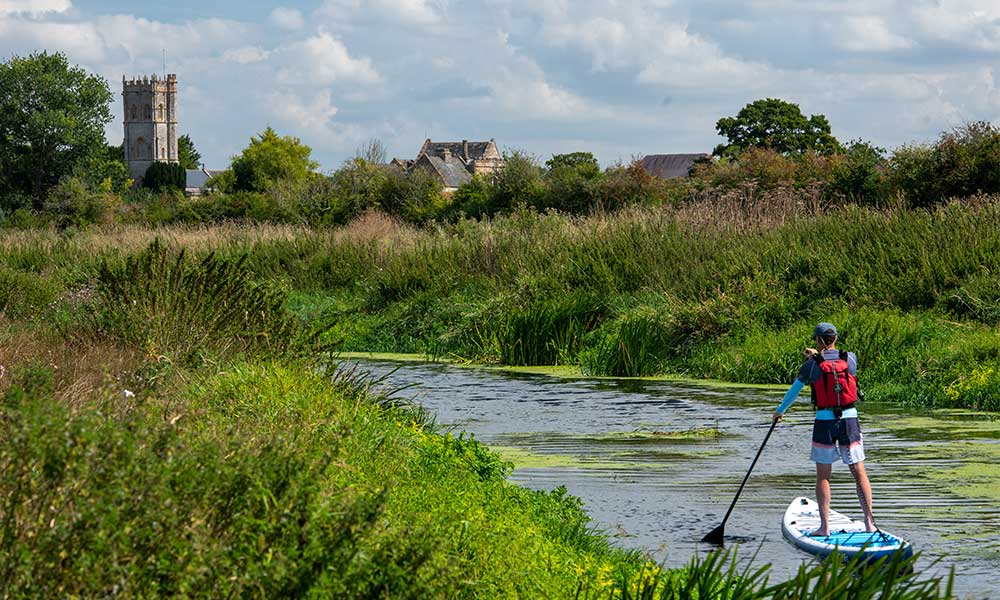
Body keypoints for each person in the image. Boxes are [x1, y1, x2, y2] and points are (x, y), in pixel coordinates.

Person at [772, 322, 875, 536]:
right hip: (850, 418)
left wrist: (780, 411)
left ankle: (824, 527)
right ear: (835, 339)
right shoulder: (850, 358)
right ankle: (870, 523)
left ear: (818, 340)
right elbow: (832, 359)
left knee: (824, 476)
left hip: (824, 421)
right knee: (859, 472)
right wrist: (818, 354)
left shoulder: (812, 365)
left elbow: (794, 390)